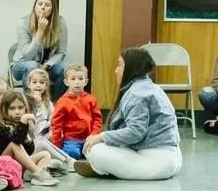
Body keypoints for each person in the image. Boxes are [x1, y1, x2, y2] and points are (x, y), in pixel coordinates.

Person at [76, 48, 183, 181]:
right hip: (172, 159)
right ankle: (104, 167)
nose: (116, 70)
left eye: (119, 64)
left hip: (156, 163)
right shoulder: (151, 87)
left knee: (94, 149)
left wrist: (102, 136)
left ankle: (101, 168)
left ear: (131, 68)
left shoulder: (136, 94)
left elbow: (135, 132)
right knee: (100, 143)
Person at [5, 0, 69, 87]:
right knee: (33, 66)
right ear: (35, 6)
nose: (42, 7)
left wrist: (47, 65)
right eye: (40, 4)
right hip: (22, 65)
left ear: (53, 9)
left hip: (48, 67)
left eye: (47, 5)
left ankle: (56, 101)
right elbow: (27, 56)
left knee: (63, 68)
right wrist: (40, 31)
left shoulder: (60, 23)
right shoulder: (23, 23)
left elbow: (61, 52)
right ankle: (31, 101)